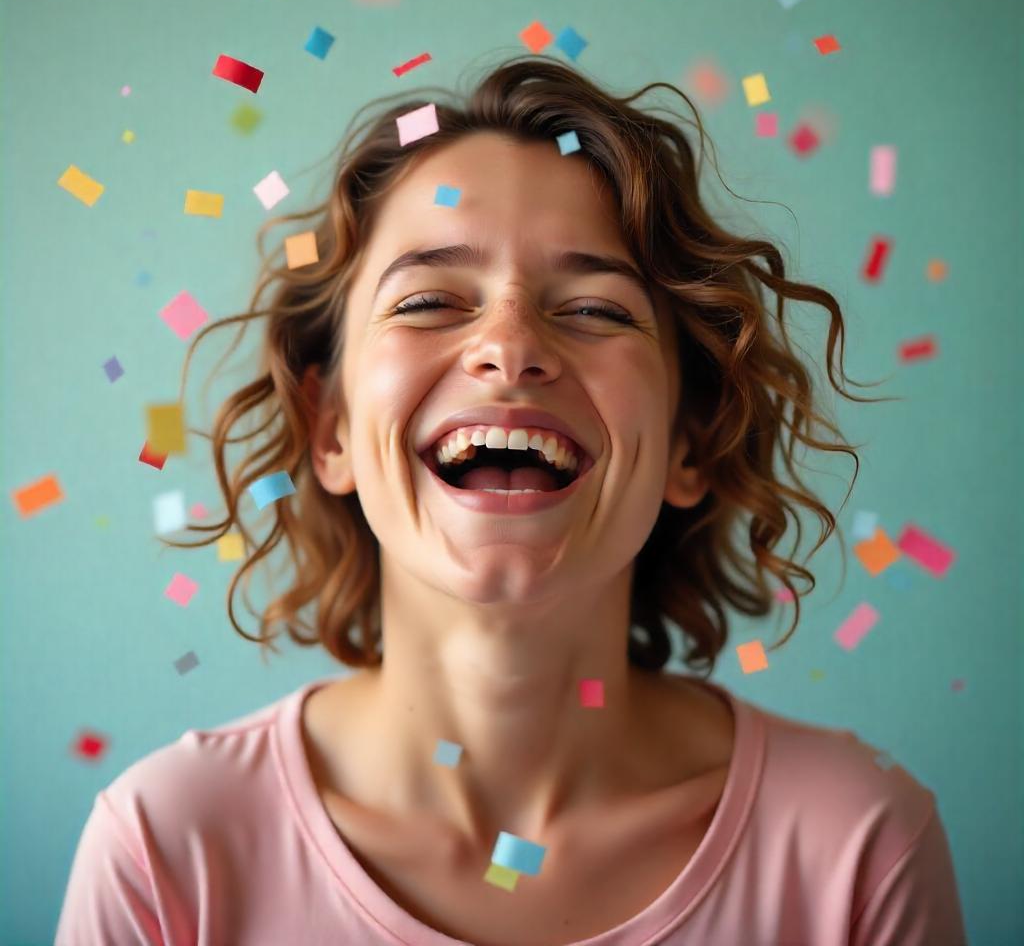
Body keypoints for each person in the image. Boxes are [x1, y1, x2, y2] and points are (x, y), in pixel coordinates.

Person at [55, 56, 967, 945]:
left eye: (598, 310)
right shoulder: (166, 847)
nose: (510, 347)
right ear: (329, 425)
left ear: (690, 441)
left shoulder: (860, 848)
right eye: (427, 302)